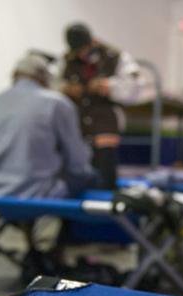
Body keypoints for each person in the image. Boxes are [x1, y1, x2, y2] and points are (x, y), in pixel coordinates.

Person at [0, 53, 96, 199]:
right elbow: (77, 163)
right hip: (34, 193)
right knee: (91, 178)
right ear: (45, 78)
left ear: (14, 75)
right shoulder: (57, 104)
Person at [60, 23, 143, 190]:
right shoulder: (66, 61)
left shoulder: (114, 56)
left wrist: (109, 86)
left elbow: (135, 87)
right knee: (75, 170)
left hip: (105, 122)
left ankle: (104, 206)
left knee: (104, 170)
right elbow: (55, 85)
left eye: (83, 48)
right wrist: (66, 89)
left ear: (91, 42)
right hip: (78, 123)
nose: (81, 54)